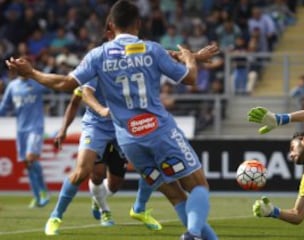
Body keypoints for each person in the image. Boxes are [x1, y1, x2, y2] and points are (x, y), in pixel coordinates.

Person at [6, 1, 218, 239]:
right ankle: (191, 232)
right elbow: (189, 78)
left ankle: (187, 230)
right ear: (139, 23)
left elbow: (66, 84)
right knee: (199, 188)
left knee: (176, 197)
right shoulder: (152, 49)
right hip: (157, 131)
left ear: (110, 26)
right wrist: (190, 58)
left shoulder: (98, 56)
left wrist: (32, 73)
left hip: (128, 140)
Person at [53, 81, 162, 230]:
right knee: (94, 174)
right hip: (96, 129)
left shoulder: (127, 74)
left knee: (116, 184)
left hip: (122, 130)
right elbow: (74, 103)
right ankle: (103, 211)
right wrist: (63, 129)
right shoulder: (90, 74)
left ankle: (104, 201)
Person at [0, 74, 50, 208]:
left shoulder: (36, 82)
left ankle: (44, 191)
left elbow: (52, 86)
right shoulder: (12, 86)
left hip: (36, 127)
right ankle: (37, 197)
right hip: (21, 129)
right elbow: (4, 109)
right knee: (27, 164)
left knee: (30, 158)